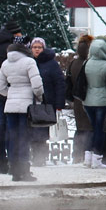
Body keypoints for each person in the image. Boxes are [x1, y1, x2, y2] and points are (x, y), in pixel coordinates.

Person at [0, 41, 44, 182]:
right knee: (24, 138)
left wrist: (11, 94)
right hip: (26, 106)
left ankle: (14, 170)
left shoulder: (5, 63)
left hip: (10, 106)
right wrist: (39, 97)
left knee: (13, 137)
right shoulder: (29, 62)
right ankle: (24, 170)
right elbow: (37, 85)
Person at [0, 21, 22, 173]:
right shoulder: (9, 50)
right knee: (13, 128)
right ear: (14, 34)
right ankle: (14, 161)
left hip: (1, 94)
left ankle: (1, 160)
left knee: (2, 127)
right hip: (13, 94)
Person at [75, 36, 106, 168]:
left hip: (88, 101)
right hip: (102, 101)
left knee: (91, 129)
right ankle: (97, 158)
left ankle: (87, 157)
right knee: (99, 129)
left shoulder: (87, 63)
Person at [28, 37, 66, 167]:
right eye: (34, 47)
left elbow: (60, 83)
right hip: (29, 102)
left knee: (42, 132)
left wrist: (59, 104)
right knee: (30, 131)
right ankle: (32, 156)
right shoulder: (28, 62)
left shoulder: (51, 64)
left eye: (39, 47)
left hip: (46, 103)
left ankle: (40, 158)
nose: (37, 49)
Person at [66, 34, 94, 165]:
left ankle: (76, 155)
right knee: (90, 128)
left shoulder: (73, 63)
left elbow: (68, 83)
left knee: (80, 128)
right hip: (92, 99)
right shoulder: (91, 63)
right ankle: (89, 153)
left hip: (77, 101)